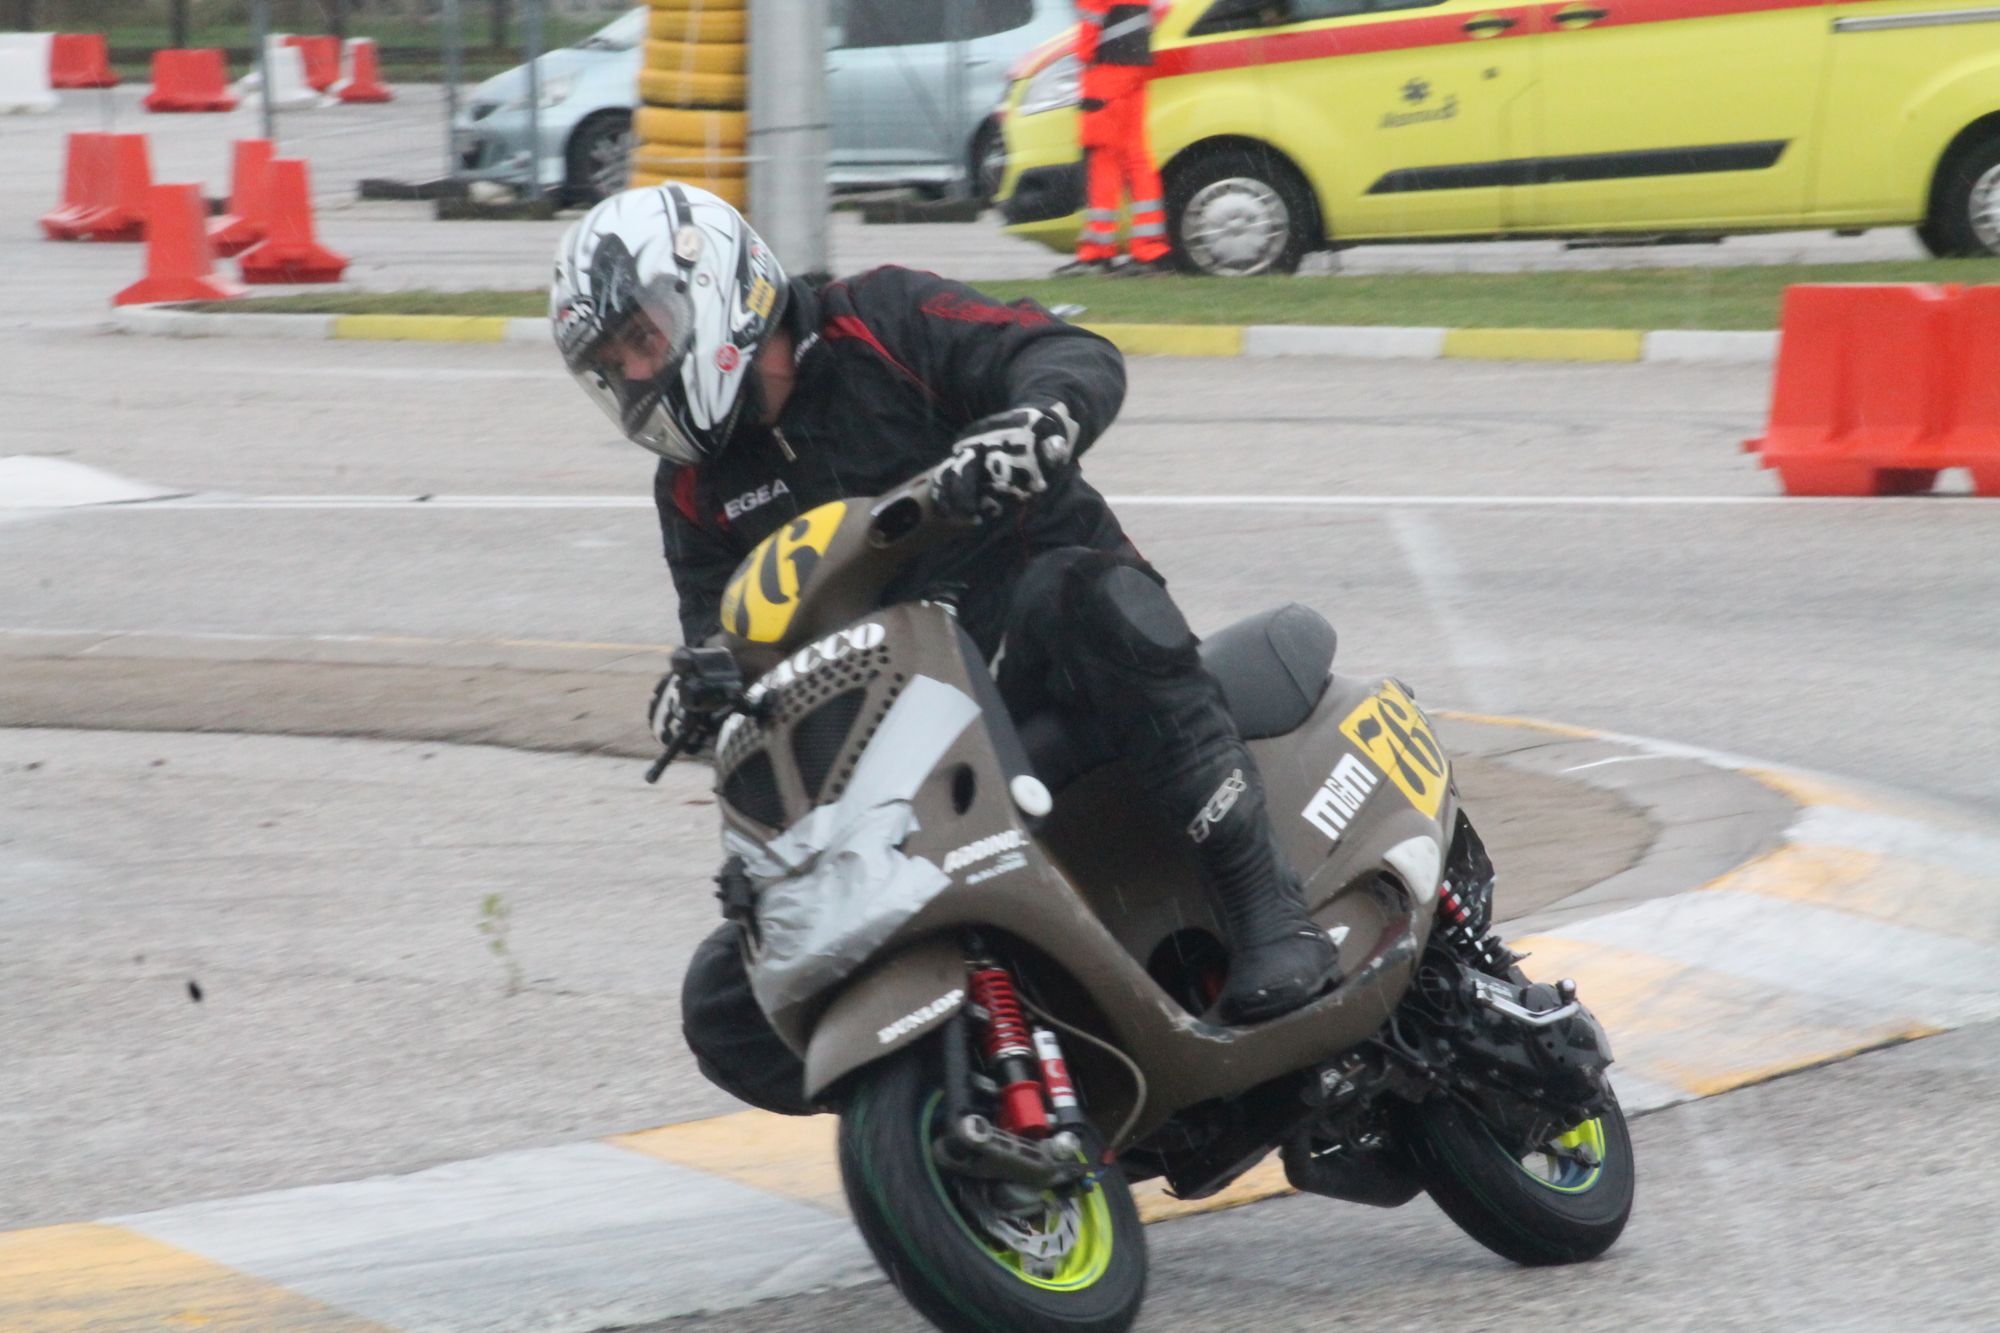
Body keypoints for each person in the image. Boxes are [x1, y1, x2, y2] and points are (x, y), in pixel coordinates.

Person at [550, 184, 1337, 1116]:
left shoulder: (880, 317)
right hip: (908, 748)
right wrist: (709, 680)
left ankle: (1269, 909)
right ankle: (976, 1088)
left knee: (1077, 595)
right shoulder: (691, 490)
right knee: (724, 1002)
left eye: (642, 339)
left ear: (713, 285)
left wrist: (1034, 424)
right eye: (615, 365)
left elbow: (1064, 350)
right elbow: (725, 633)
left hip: (1058, 674)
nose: (638, 374)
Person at [1056, 0, 1171, 277]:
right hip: (1136, 64)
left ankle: (1097, 253)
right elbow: (1162, 9)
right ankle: (1150, 249)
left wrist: (1085, 59)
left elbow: (1090, 24)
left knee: (1103, 159)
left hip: (1106, 71)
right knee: (1136, 158)